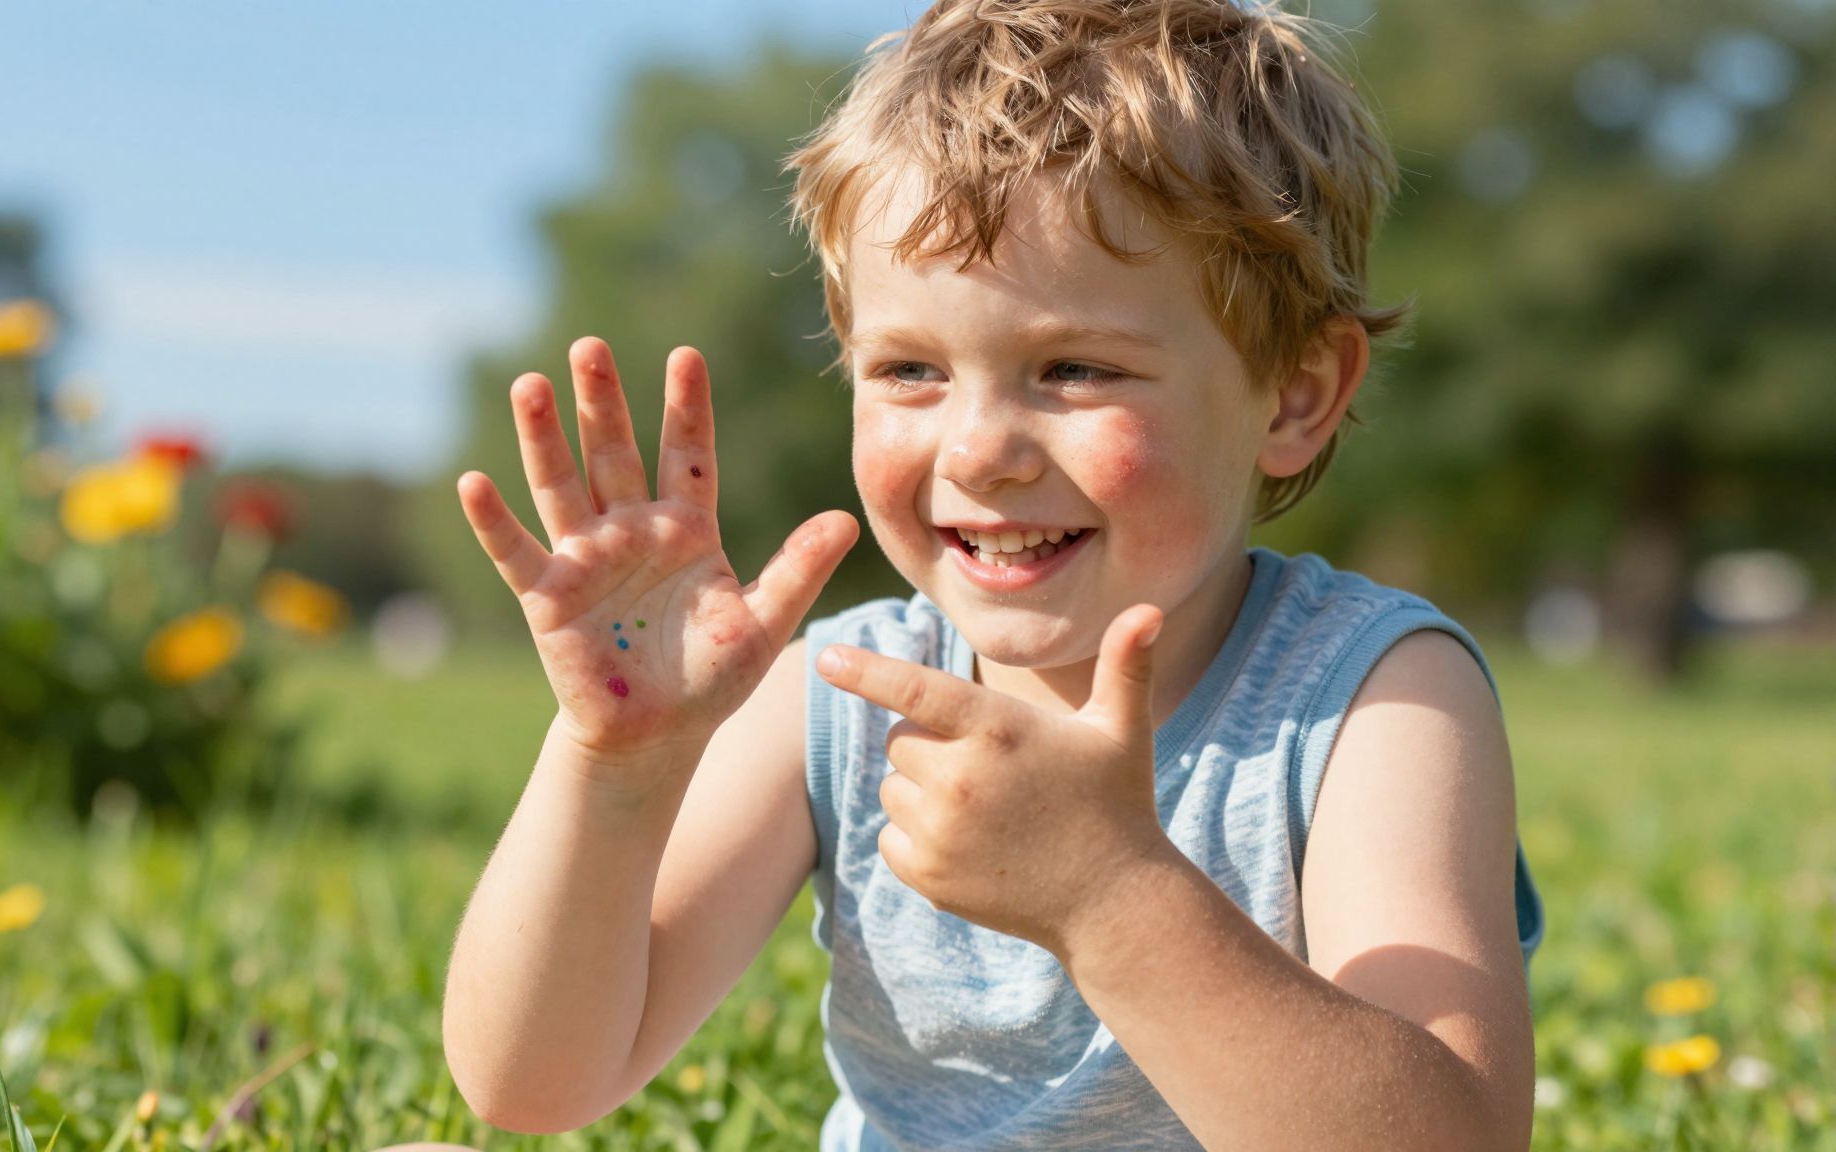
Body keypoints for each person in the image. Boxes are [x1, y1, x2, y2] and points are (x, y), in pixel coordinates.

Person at [437, 1, 1545, 1148]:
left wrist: (1110, 899)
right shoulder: (840, 694)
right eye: (909, 370)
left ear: (1296, 391)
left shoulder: (1370, 699)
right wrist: (616, 770)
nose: (974, 451)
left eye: (1071, 367)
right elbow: (533, 1087)